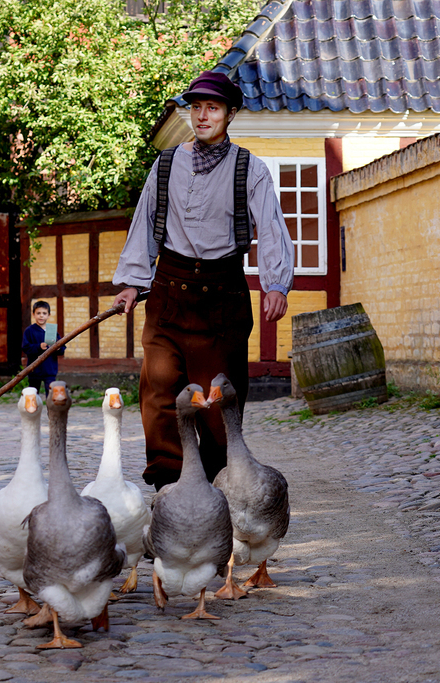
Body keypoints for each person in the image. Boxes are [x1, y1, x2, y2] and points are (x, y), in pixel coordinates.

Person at [112, 70, 294, 490]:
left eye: (211, 108)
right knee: (158, 394)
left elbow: (270, 226)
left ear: (230, 113)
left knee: (216, 403)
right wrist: (130, 283)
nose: (202, 115)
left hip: (222, 299)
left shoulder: (250, 169)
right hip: (168, 296)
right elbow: (144, 225)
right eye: (196, 107)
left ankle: (214, 488)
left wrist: (276, 283)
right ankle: (170, 489)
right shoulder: (166, 164)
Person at [21, 300, 66, 396]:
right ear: (33, 315)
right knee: (33, 394)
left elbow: (62, 349)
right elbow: (25, 347)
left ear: (49, 315)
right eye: (38, 313)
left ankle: (51, 411)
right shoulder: (29, 331)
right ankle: (33, 411)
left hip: (49, 369)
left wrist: (57, 348)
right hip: (34, 369)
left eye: (44, 313)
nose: (41, 316)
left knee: (50, 395)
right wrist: (38, 347)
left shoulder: (52, 330)